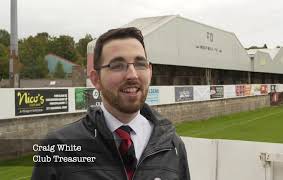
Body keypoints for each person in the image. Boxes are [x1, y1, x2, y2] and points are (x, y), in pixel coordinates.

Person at [32, 27, 190, 180]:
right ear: (96, 79)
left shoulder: (173, 145)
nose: (132, 75)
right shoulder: (58, 148)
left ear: (149, 72)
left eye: (140, 64)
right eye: (117, 65)